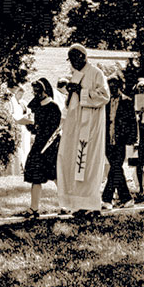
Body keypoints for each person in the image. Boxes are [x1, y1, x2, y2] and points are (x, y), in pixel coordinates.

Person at [57, 44, 110, 217]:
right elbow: (71, 103)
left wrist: (83, 91)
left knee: (89, 164)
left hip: (91, 127)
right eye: (70, 59)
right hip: (75, 126)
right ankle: (79, 204)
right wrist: (71, 92)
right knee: (74, 163)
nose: (72, 62)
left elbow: (104, 96)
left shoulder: (96, 73)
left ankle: (93, 205)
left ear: (83, 56)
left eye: (74, 58)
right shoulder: (76, 75)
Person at [20, 80, 61, 218]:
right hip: (38, 145)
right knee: (35, 177)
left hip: (50, 146)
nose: (36, 94)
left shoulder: (53, 107)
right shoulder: (36, 105)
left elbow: (53, 128)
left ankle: (67, 205)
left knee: (56, 176)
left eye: (38, 91)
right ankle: (34, 208)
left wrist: (38, 128)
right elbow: (34, 124)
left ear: (45, 90)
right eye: (34, 91)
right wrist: (30, 126)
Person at [102, 74, 136, 210]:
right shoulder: (105, 102)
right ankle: (126, 198)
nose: (112, 87)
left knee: (115, 167)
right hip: (107, 139)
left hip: (121, 140)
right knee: (116, 168)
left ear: (120, 85)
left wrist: (133, 138)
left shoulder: (127, 101)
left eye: (115, 84)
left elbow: (132, 121)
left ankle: (106, 198)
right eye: (110, 85)